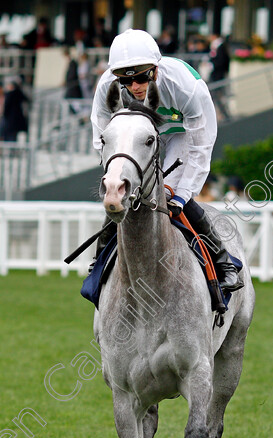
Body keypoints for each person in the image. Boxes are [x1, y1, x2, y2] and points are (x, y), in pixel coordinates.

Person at [90, 29, 242, 291]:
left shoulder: (186, 87)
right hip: (137, 135)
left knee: (170, 196)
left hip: (182, 134)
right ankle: (100, 259)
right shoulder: (108, 86)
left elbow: (201, 146)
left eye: (140, 77)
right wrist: (118, 174)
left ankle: (222, 260)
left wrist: (183, 193)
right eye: (127, 81)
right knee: (122, 191)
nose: (134, 87)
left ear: (155, 70)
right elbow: (101, 137)